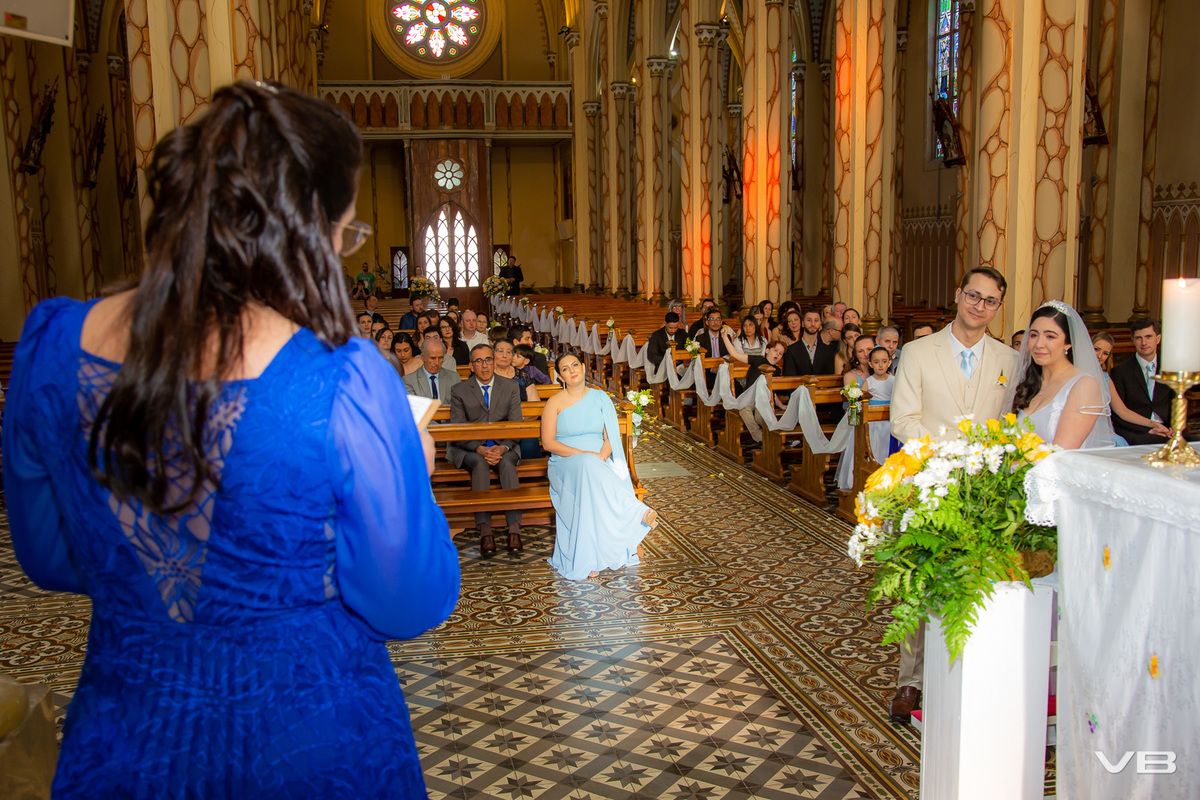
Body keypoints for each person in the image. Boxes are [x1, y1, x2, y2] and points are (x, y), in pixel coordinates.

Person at [0, 81, 459, 797]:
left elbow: (53, 558)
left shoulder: (51, 344)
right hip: (309, 742)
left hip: (128, 741)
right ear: (308, 231)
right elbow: (410, 604)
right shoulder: (342, 380)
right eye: (344, 234)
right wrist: (415, 478)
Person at [888, 265, 1021, 725]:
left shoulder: (1009, 360)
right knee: (919, 580)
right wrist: (948, 457)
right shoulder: (919, 351)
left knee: (971, 580)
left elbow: (1007, 425)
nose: (979, 306)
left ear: (998, 308)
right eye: (974, 295)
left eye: (990, 301)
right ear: (958, 293)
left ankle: (968, 671)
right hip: (929, 481)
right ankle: (911, 679)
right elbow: (904, 420)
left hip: (982, 490)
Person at [543, 353, 658, 580]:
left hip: (599, 460)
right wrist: (586, 456)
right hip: (564, 463)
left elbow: (610, 438)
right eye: (565, 368)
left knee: (591, 480)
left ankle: (591, 558)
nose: (572, 370)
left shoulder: (600, 397)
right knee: (586, 466)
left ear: (584, 367)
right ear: (559, 375)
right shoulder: (554, 402)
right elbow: (548, 443)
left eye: (575, 365)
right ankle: (636, 511)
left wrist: (600, 458)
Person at [448, 344, 525, 556]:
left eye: (488, 359)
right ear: (472, 366)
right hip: (472, 448)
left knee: (508, 464)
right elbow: (458, 430)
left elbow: (517, 424)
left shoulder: (510, 387)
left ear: (494, 361)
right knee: (480, 465)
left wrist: (502, 447)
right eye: (479, 361)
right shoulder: (459, 390)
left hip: (504, 445)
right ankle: (485, 531)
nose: (485, 365)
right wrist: (480, 449)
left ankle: (514, 530)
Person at [1007, 302, 1115, 450]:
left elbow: (1061, 452)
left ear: (1068, 343)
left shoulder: (1084, 385)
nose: (1039, 344)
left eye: (1050, 336)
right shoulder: (1029, 381)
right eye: (1033, 335)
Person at [1091, 332, 1172, 443]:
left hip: (1103, 433)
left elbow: (1123, 411)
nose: (1100, 356)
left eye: (1105, 353)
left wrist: (1154, 424)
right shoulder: (1074, 374)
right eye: (1096, 349)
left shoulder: (1106, 379)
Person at [1108, 317, 1178, 446]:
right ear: (1133, 340)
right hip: (1136, 431)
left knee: (1195, 441)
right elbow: (1118, 415)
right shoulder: (1121, 371)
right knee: (1151, 442)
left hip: (1166, 429)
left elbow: (1176, 403)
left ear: (1158, 338)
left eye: (1148, 337)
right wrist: (1150, 429)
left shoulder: (1170, 368)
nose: (1144, 343)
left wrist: (1173, 428)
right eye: (1139, 338)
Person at [722, 332, 786, 445]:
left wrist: (780, 405)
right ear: (767, 350)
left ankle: (779, 436)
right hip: (749, 399)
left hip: (762, 400)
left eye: (780, 353)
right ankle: (760, 437)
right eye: (775, 350)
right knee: (744, 410)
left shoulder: (777, 370)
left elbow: (773, 391)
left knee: (760, 415)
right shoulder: (757, 360)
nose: (778, 354)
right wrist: (724, 337)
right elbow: (735, 354)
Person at [403, 337, 459, 405]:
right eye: (433, 358)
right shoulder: (409, 381)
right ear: (423, 357)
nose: (437, 363)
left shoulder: (454, 378)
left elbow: (458, 406)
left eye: (440, 358)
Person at [783, 310, 837, 376]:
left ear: (820, 325)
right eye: (809, 320)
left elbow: (829, 380)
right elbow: (789, 378)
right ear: (802, 323)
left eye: (816, 320)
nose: (813, 324)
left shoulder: (828, 351)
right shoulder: (791, 350)